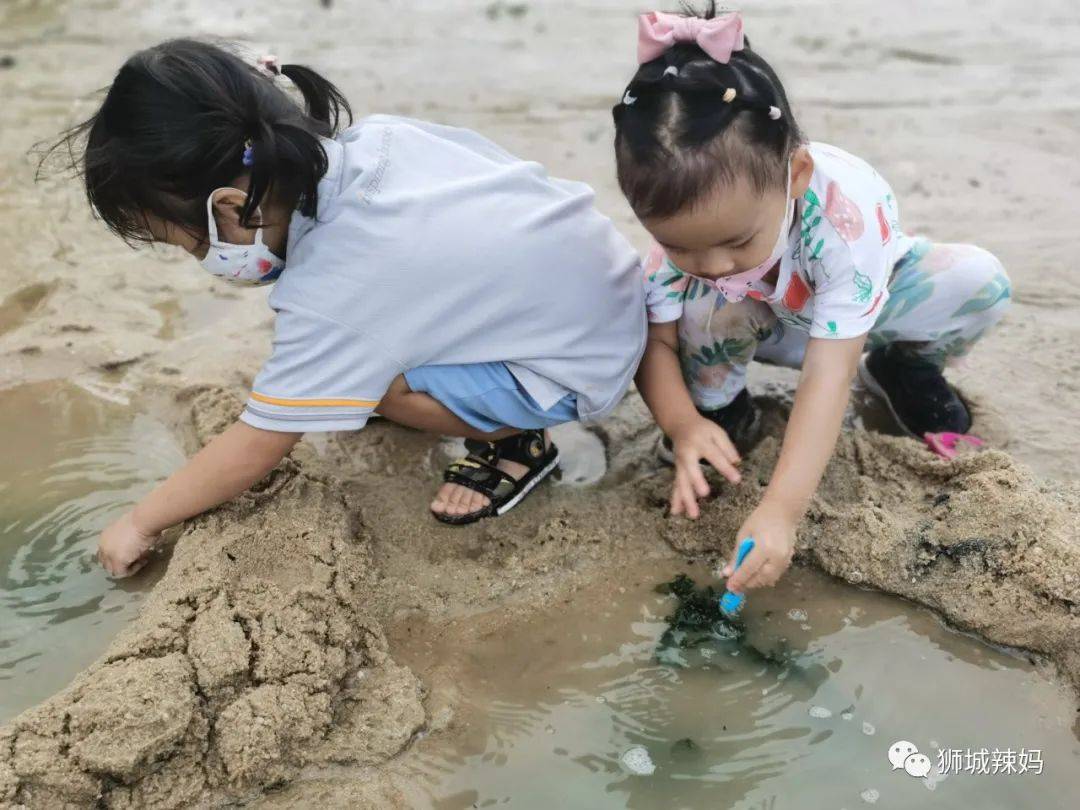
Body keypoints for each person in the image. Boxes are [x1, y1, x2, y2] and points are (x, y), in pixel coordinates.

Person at [51, 40, 646, 576]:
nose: (198, 257)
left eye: (189, 244)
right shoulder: (382, 140)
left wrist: (141, 521)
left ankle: (516, 446)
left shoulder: (334, 288)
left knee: (381, 386)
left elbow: (263, 439)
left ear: (231, 208)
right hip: (608, 288)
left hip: (575, 366)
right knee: (378, 345)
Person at [612, 6, 1011, 593]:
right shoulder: (688, 240)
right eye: (680, 245)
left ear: (795, 174)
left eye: (736, 241)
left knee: (980, 281)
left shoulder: (842, 223)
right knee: (701, 298)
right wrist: (683, 422)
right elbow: (658, 342)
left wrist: (781, 510)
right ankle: (723, 412)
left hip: (853, 319)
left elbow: (829, 375)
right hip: (755, 324)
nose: (713, 263)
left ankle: (903, 367)